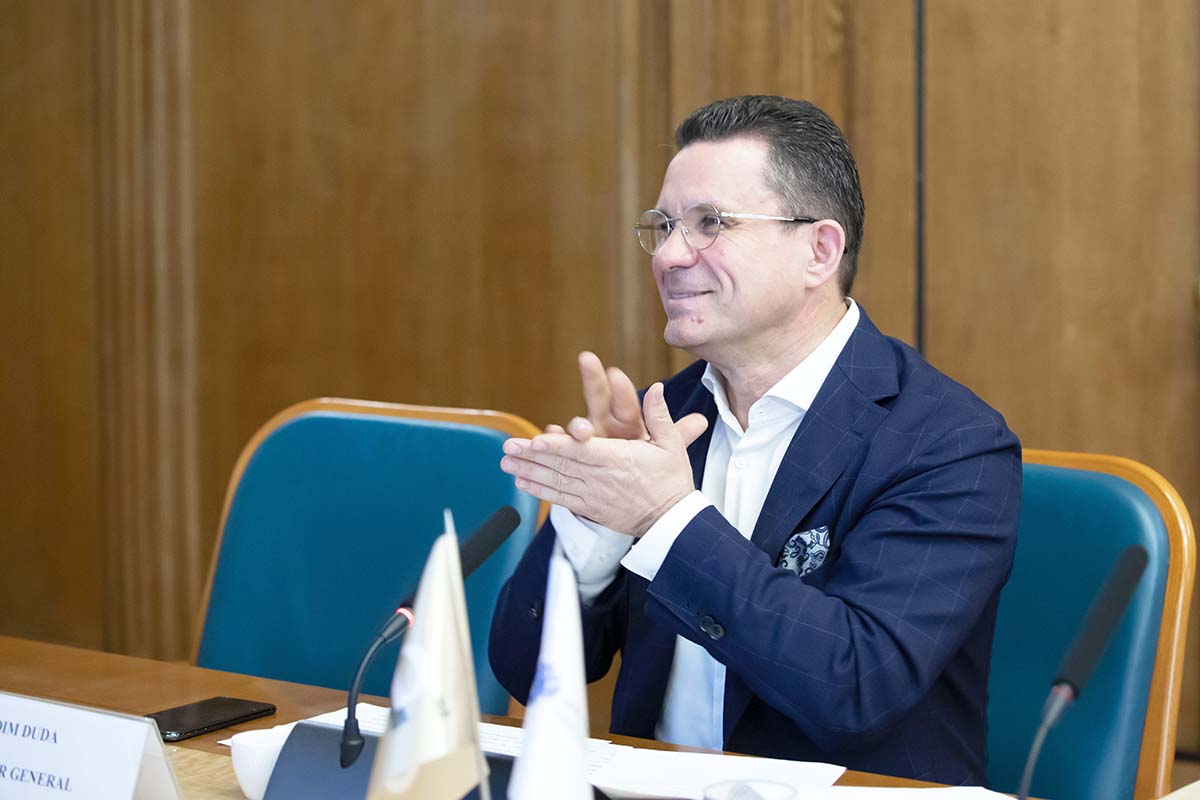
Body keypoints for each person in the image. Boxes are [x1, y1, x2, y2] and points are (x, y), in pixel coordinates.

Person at [489, 95, 1020, 786]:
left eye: (710, 223)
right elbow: (522, 668)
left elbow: (855, 686)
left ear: (819, 251)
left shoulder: (950, 444)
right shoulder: (667, 415)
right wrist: (597, 523)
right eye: (663, 226)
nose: (669, 256)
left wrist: (665, 518)